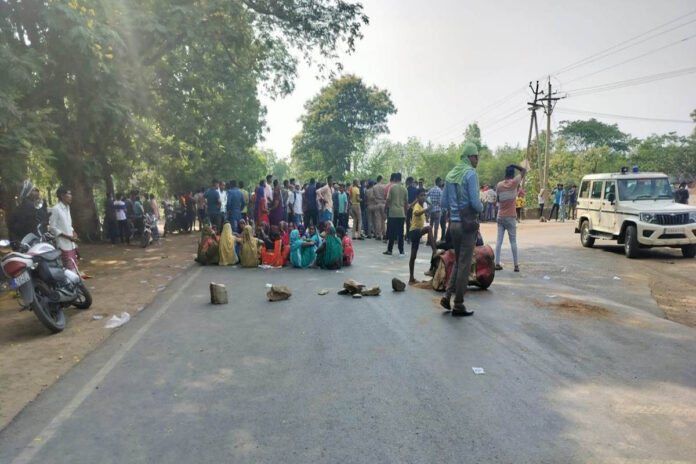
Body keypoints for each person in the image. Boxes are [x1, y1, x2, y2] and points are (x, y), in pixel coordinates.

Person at [439, 142, 482, 316]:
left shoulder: (451, 175)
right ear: (469, 157)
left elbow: (443, 203)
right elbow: (475, 203)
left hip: (453, 226)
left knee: (459, 262)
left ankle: (447, 295)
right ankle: (458, 304)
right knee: (464, 266)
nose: (477, 159)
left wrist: (455, 208)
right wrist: (481, 207)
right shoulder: (470, 174)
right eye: (476, 156)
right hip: (467, 226)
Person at [495, 164, 527, 272]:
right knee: (513, 241)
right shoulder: (514, 183)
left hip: (500, 216)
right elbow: (524, 170)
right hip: (511, 217)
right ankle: (516, 265)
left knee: (499, 240)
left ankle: (497, 263)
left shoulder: (499, 185)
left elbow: (498, 200)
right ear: (513, 174)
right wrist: (513, 164)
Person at [408, 188, 437, 284]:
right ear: (417, 197)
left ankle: (411, 278)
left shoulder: (422, 205)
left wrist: (427, 212)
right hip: (414, 231)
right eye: (421, 195)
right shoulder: (417, 206)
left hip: (416, 232)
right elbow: (416, 213)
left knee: (413, 256)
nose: (423, 197)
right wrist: (427, 209)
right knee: (429, 228)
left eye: (424, 195)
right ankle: (434, 251)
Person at [49, 186, 79, 271]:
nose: (71, 196)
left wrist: (73, 232)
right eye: (68, 194)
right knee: (68, 268)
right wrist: (66, 236)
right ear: (62, 196)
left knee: (74, 266)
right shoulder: (56, 209)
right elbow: (52, 227)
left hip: (71, 243)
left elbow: (68, 224)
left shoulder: (67, 208)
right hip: (63, 244)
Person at [384, 172, 409, 256]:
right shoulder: (404, 189)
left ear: (394, 179)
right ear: (401, 179)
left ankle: (390, 250)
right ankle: (401, 251)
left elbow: (388, 200)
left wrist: (385, 209)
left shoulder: (392, 188)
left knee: (391, 232)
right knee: (400, 233)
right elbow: (406, 203)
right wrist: (405, 214)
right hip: (401, 213)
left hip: (392, 213)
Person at [372, 175, 387, 241]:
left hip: (377, 203)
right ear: (381, 179)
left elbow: (373, 197)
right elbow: (386, 195)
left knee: (377, 220)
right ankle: (384, 233)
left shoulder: (374, 187)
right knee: (383, 220)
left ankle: (378, 235)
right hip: (383, 203)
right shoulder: (384, 186)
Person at [405, 176, 419, 241]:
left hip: (407, 208)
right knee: (414, 222)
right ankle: (413, 236)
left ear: (408, 182)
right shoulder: (416, 190)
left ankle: (408, 236)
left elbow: (405, 199)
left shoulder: (406, 189)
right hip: (414, 208)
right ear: (412, 182)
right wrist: (412, 204)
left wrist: (408, 205)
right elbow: (417, 199)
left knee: (408, 222)